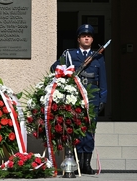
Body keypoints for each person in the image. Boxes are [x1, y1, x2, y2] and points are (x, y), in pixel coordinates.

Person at [50, 24, 107, 174]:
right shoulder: (70, 54)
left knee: (89, 130)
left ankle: (86, 164)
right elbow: (54, 68)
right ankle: (74, 163)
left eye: (89, 36)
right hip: (75, 97)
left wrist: (103, 98)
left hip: (92, 98)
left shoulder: (98, 57)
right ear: (78, 39)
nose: (86, 38)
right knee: (75, 129)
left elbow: (103, 80)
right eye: (83, 36)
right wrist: (66, 72)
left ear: (92, 39)